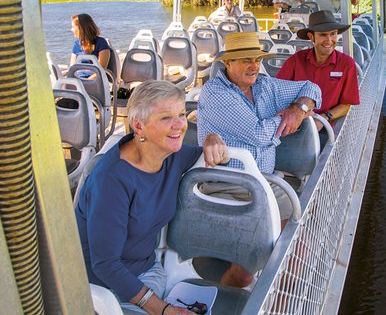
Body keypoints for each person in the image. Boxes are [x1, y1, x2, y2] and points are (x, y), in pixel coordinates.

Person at [75, 80, 228, 315]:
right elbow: (105, 264)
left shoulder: (170, 155)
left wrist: (212, 138)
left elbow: (215, 155)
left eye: (181, 114)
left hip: (149, 271)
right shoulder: (111, 180)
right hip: (103, 289)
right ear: (139, 126)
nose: (180, 125)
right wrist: (163, 309)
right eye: (166, 118)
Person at [197, 32, 321, 287]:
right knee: (245, 271)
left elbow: (312, 87)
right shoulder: (215, 94)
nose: (254, 66)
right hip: (227, 185)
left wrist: (300, 109)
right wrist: (287, 117)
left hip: (265, 184)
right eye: (244, 60)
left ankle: (280, 298)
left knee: (301, 245)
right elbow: (259, 134)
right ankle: (226, 297)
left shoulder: (264, 85)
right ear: (227, 64)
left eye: (256, 59)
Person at [276, 10, 360, 143]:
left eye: (333, 34)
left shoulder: (347, 64)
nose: (329, 40)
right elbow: (278, 91)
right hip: (295, 125)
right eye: (323, 35)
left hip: (326, 128)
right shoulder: (297, 60)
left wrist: (324, 118)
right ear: (311, 37)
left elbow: (346, 104)